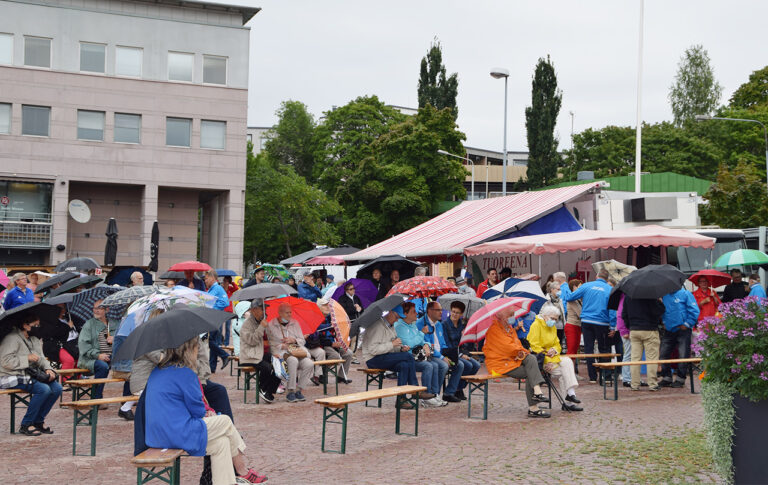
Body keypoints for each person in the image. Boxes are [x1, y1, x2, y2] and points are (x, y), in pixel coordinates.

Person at [144, 337, 267, 484]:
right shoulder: (185, 372)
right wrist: (209, 413)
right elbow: (197, 410)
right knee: (225, 421)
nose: (199, 350)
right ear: (189, 350)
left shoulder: (159, 370)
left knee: (221, 443)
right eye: (197, 347)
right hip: (176, 433)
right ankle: (242, 471)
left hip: (157, 434)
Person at [0, 314, 63, 435]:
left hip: (30, 374)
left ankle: (38, 421)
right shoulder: (12, 338)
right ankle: (26, 424)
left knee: (57, 388)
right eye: (35, 325)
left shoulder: (34, 339)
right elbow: (5, 361)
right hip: (10, 374)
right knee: (43, 389)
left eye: (39, 325)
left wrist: (49, 369)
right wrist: (26, 358)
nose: (38, 327)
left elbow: (42, 358)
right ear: (25, 325)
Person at [483, 307, 551, 418]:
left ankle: (537, 395)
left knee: (531, 360)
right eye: (510, 315)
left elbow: (517, 345)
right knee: (531, 370)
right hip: (499, 364)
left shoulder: (509, 328)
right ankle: (534, 404)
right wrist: (523, 352)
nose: (512, 317)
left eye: (512, 314)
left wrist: (522, 352)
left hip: (512, 360)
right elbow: (508, 347)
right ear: (501, 317)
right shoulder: (494, 329)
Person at [78, 299, 131, 412]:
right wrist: (98, 355)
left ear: (107, 309)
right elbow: (83, 345)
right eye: (95, 308)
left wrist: (115, 339)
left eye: (99, 308)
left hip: (113, 356)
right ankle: (97, 398)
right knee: (103, 366)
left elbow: (124, 339)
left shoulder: (114, 323)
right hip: (92, 358)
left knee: (130, 364)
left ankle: (127, 399)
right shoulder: (89, 324)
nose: (96, 311)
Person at [526, 304, 582, 411]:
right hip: (541, 359)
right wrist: (547, 358)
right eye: (552, 319)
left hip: (553, 358)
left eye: (556, 319)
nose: (554, 321)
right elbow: (534, 346)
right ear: (545, 316)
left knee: (567, 362)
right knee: (565, 370)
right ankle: (569, 397)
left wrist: (555, 350)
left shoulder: (552, 327)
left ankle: (570, 394)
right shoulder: (536, 325)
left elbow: (557, 344)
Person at [360, 309, 419, 407]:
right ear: (390, 313)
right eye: (396, 317)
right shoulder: (377, 326)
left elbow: (391, 348)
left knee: (404, 365)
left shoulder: (390, 326)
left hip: (383, 356)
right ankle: (414, 388)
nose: (397, 320)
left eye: (398, 318)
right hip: (372, 359)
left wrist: (400, 349)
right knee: (408, 356)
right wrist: (392, 344)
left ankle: (401, 399)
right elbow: (373, 350)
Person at [563, 269, 613, 384]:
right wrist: (613, 325)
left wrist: (565, 287)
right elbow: (613, 309)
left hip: (587, 321)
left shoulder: (587, 286)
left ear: (596, 276)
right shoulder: (610, 289)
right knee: (604, 349)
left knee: (589, 348)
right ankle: (606, 377)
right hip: (602, 322)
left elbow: (570, 297)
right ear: (607, 279)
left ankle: (592, 377)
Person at [394, 302, 445, 407]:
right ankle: (425, 396)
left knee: (435, 365)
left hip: (418, 355)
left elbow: (421, 341)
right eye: (413, 312)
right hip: (409, 357)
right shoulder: (399, 326)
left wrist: (426, 345)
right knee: (428, 366)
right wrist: (422, 333)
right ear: (405, 314)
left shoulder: (412, 324)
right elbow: (409, 343)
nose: (417, 313)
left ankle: (434, 394)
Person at [266, 303, 313, 403]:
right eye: (287, 313)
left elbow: (302, 340)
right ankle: (290, 391)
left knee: (309, 363)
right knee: (293, 361)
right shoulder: (271, 325)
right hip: (281, 353)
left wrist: (294, 340)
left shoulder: (295, 323)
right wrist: (281, 345)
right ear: (280, 313)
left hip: (296, 351)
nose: (290, 314)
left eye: (290, 312)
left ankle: (299, 390)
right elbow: (270, 343)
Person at [419, 301, 464, 403]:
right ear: (430, 311)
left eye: (441, 310)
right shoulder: (421, 324)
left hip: (441, 353)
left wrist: (447, 354)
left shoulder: (438, 324)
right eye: (438, 310)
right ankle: (435, 394)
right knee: (443, 365)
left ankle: (449, 392)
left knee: (459, 364)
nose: (441, 312)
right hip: (430, 354)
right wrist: (442, 357)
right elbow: (426, 345)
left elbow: (443, 343)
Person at [239, 299, 281, 403]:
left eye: (265, 308)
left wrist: (275, 353)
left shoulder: (264, 322)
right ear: (254, 310)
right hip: (250, 355)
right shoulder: (247, 324)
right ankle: (262, 388)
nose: (264, 311)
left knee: (279, 366)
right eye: (262, 309)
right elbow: (252, 341)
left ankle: (269, 391)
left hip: (261, 353)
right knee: (267, 367)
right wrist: (261, 327)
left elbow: (271, 340)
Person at [622, 295, 665, 391]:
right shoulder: (651, 295)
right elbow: (658, 312)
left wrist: (630, 326)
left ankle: (634, 384)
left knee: (635, 358)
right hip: (650, 329)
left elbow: (624, 314)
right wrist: (660, 302)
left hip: (634, 330)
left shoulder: (629, 296)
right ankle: (652, 384)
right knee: (652, 358)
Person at [441, 301, 481, 400]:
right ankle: (449, 392)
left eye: (457, 312)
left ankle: (458, 388)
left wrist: (464, 336)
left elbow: (464, 344)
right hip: (449, 352)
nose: (454, 314)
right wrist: (460, 355)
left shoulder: (461, 325)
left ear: (461, 314)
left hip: (460, 352)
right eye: (453, 311)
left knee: (476, 365)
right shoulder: (444, 324)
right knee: (466, 365)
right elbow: (446, 343)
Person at [660, 287, 699, 388]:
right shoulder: (665, 296)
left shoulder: (686, 294)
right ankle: (666, 377)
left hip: (683, 330)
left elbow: (694, 310)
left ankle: (680, 379)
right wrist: (664, 322)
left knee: (683, 354)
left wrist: (687, 324)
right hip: (669, 330)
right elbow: (663, 311)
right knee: (663, 353)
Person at [315, 298, 354, 383]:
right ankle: (322, 373)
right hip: (323, 344)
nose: (327, 307)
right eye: (324, 305)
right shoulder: (316, 318)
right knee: (335, 356)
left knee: (349, 353)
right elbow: (319, 332)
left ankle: (341, 376)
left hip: (332, 342)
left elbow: (334, 332)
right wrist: (332, 343)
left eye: (328, 305)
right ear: (319, 307)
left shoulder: (331, 317)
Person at [205, 270, 231, 373]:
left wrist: (213, 309)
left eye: (206, 278)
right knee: (213, 341)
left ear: (212, 278)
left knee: (208, 341)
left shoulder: (217, 288)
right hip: (212, 318)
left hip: (214, 319)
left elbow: (225, 302)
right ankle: (212, 366)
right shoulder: (212, 289)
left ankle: (224, 355)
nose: (205, 281)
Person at [564, 279, 583, 357]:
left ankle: (573, 368)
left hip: (577, 326)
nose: (582, 289)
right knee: (571, 351)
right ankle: (569, 369)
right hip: (572, 326)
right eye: (580, 286)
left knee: (575, 351)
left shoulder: (578, 299)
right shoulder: (571, 299)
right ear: (574, 287)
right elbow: (580, 313)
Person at [545, 281, 566, 349]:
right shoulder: (547, 300)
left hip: (560, 327)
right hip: (550, 326)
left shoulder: (560, 300)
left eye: (560, 289)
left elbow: (562, 313)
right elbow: (543, 313)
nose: (560, 291)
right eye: (558, 289)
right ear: (552, 289)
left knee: (559, 346)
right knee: (551, 346)